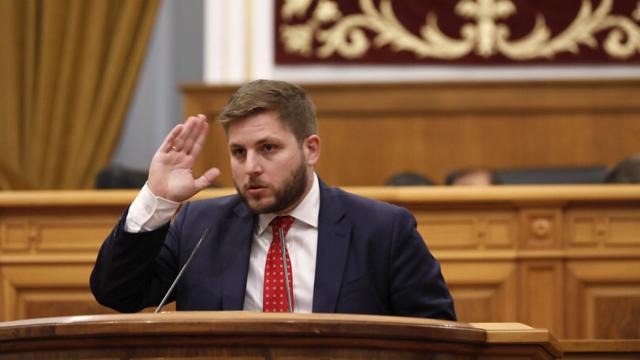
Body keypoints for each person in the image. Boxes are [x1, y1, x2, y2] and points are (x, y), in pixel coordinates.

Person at [90, 79, 456, 320]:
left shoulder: (382, 230)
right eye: (238, 152)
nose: (251, 168)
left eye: (268, 149)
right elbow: (116, 293)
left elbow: (437, 335)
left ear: (310, 149)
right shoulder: (198, 226)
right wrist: (158, 199)